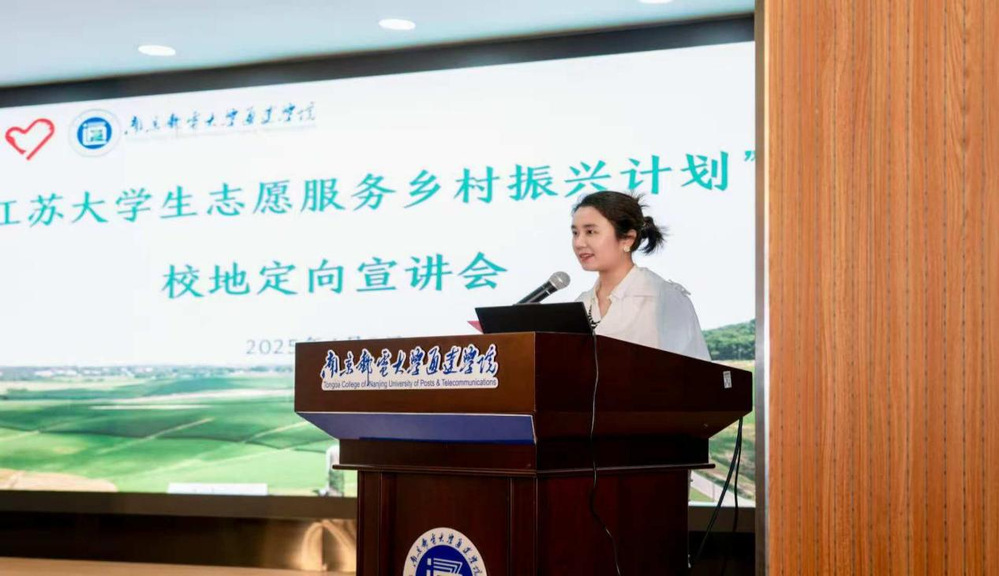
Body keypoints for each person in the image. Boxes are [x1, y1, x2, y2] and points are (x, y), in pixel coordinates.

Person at [571, 191, 711, 360]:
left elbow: (695, 369)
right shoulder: (581, 303)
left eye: (590, 232)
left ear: (628, 239)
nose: (579, 243)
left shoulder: (661, 297)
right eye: (575, 233)